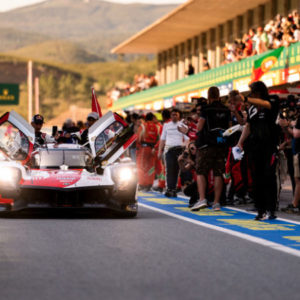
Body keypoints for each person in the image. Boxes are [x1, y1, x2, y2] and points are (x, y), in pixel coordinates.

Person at [236, 81, 279, 220]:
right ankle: (260, 210)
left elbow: (266, 105)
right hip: (255, 147)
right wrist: (240, 142)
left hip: (270, 146)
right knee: (256, 179)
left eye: (253, 92)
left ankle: (271, 209)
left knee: (269, 177)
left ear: (259, 92)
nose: (251, 95)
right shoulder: (251, 109)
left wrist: (247, 99)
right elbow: (248, 126)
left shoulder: (272, 100)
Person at [192, 86, 231, 211]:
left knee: (201, 171)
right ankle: (216, 203)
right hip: (221, 144)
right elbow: (229, 127)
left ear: (209, 96)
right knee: (218, 173)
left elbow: (199, 127)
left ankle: (202, 199)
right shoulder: (226, 109)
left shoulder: (206, 109)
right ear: (219, 95)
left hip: (206, 145)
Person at [158, 109, 189, 197]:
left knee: (176, 170)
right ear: (170, 116)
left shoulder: (183, 126)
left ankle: (173, 189)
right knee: (169, 170)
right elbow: (162, 139)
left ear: (179, 116)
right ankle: (169, 189)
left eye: (176, 115)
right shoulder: (166, 125)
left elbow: (187, 139)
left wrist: (186, 149)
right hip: (169, 150)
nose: (174, 116)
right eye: (172, 115)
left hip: (179, 150)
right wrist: (159, 151)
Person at [136, 112, 160, 191]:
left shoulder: (143, 126)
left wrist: (138, 148)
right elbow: (159, 138)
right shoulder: (157, 126)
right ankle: (149, 183)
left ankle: (142, 184)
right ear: (152, 118)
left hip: (144, 149)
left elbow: (138, 139)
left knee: (141, 166)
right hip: (153, 149)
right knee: (151, 167)